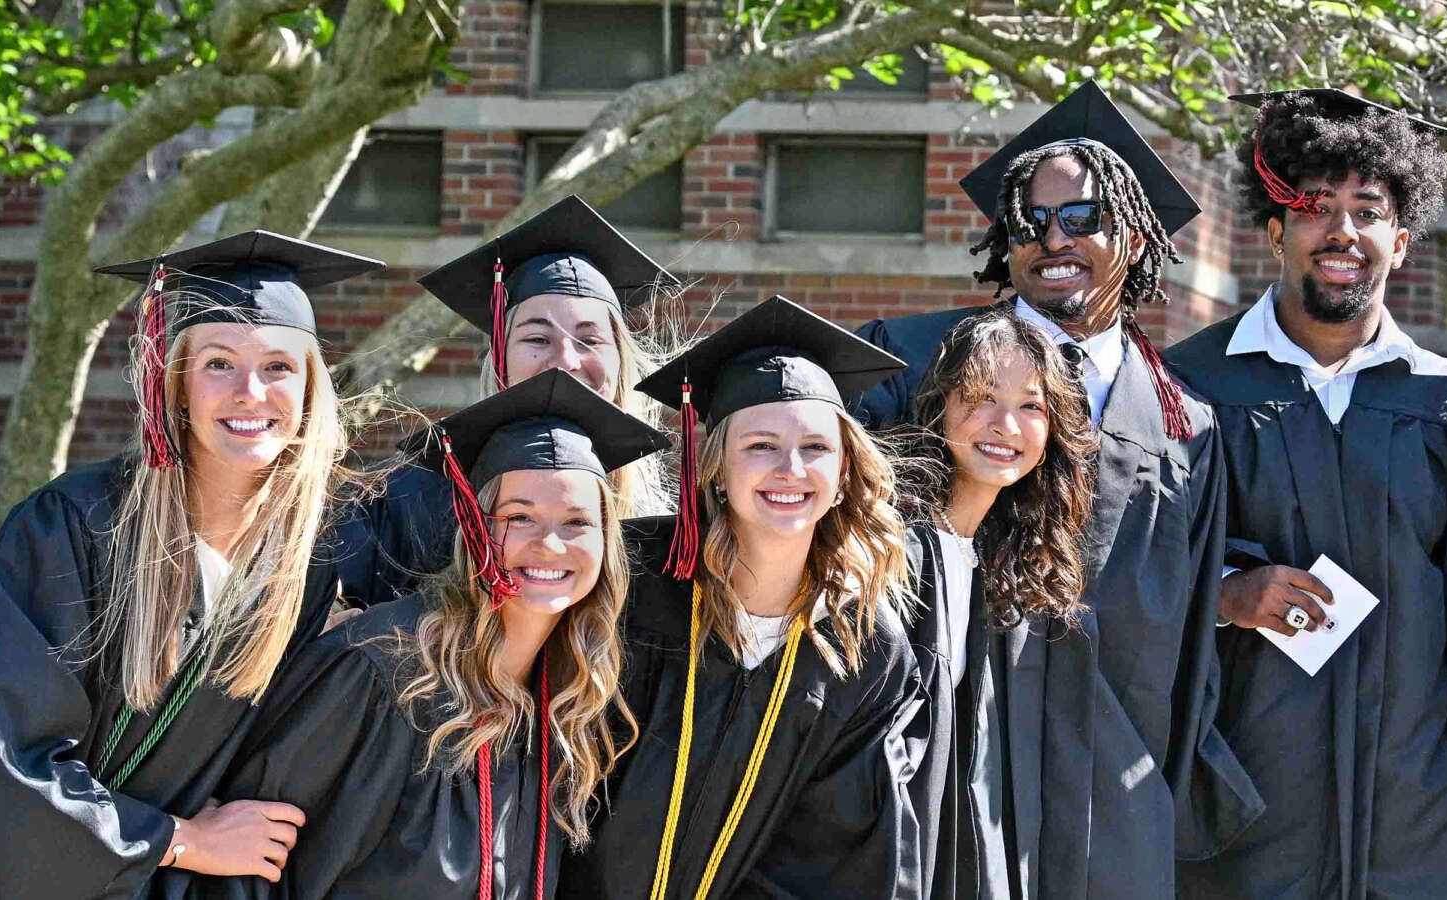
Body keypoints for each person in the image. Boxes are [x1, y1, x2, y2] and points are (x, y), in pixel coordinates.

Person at [0, 233, 385, 896]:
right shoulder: (78, 526)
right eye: (219, 364)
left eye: (279, 366)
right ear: (174, 384)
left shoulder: (305, 571)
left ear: (312, 389)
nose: (251, 391)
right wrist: (180, 840)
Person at [849, 82, 1253, 899]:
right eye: (1028, 223)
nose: (1051, 239)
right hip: (946, 752)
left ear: (1138, 239)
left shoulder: (1185, 423)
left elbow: (1188, 652)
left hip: (1116, 778)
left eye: (1081, 218)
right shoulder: (915, 360)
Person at [1161, 88, 1447, 900]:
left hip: (1415, 813)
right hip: (1245, 807)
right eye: (1314, 207)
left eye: (1367, 210)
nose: (1342, 230)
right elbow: (1127, 566)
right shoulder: (1186, 388)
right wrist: (1227, 595)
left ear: (1401, 242)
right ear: (1274, 231)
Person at [193, 371, 666, 900]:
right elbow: (250, 872)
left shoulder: (567, 702)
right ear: (474, 530)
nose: (550, 544)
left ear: (607, 544)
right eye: (519, 516)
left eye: (577, 522)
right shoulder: (378, 671)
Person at [559, 297, 924, 900]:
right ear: (716, 469)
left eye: (815, 448)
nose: (790, 469)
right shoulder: (630, 577)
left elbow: (839, 857)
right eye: (759, 446)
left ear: (844, 476)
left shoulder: (865, 650)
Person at [890, 308, 1100, 900]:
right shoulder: (889, 544)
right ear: (940, 406)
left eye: (1032, 405)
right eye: (981, 396)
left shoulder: (989, 559)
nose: (1006, 423)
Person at [372, 196, 683, 594]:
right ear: (499, 357)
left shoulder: (659, 525)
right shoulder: (412, 501)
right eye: (538, 338)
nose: (566, 360)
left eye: (589, 339)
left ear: (620, 358)